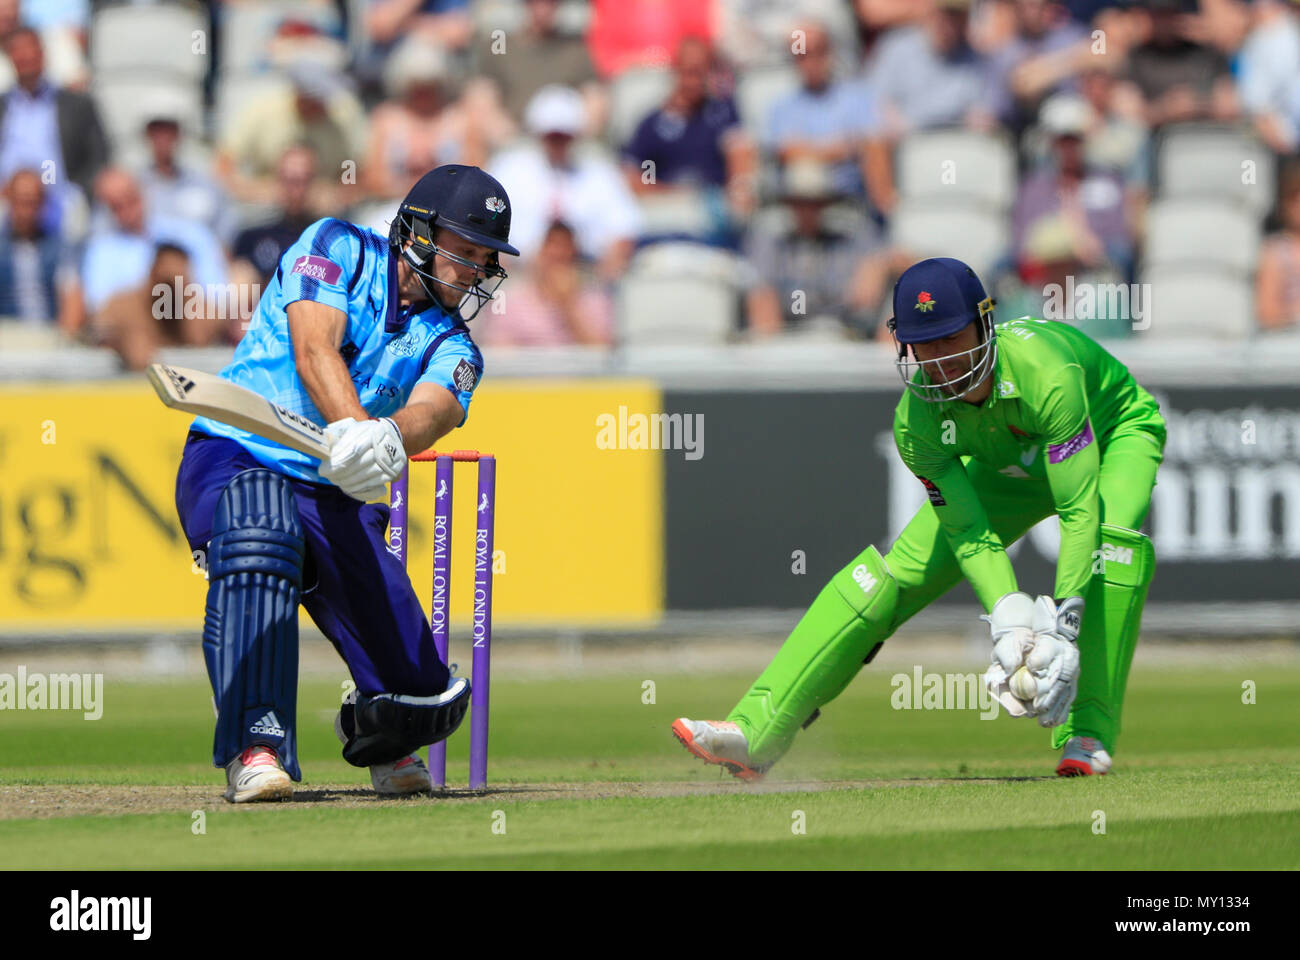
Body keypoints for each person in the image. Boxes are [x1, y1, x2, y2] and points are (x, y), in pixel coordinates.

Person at [674, 256, 1165, 778]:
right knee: (888, 579)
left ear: (983, 323)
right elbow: (969, 532)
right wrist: (1005, 613)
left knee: (1111, 550)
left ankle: (1086, 736)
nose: (939, 359)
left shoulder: (1047, 375)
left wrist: (1062, 626)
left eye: (951, 337)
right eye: (922, 344)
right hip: (1010, 469)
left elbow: (1076, 507)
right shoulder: (917, 421)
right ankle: (758, 730)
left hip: (1112, 439)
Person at [171, 164, 519, 802]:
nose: (474, 270)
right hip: (238, 454)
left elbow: (437, 409)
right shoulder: (337, 247)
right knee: (261, 532)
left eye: (484, 258)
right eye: (463, 251)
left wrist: (387, 439)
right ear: (416, 231)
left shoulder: (455, 345)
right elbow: (313, 349)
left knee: (423, 692)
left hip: (334, 489)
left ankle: (378, 733)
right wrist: (355, 424)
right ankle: (257, 746)